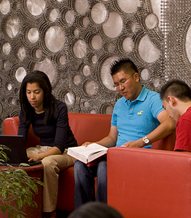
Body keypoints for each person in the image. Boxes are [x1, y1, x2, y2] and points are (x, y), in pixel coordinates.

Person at [73, 59, 175, 208]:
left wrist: (140, 143)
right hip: (116, 156)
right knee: (80, 166)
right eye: (116, 84)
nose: (120, 88)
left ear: (136, 77)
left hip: (140, 159)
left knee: (103, 166)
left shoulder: (153, 99)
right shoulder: (120, 104)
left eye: (123, 81)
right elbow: (112, 138)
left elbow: (170, 124)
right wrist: (94, 145)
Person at [17, 71, 79, 218]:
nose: (32, 97)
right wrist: (16, 154)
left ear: (45, 91)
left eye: (36, 92)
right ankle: (21, 208)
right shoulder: (26, 109)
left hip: (67, 151)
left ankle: (49, 212)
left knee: (48, 163)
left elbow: (59, 146)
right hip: (43, 149)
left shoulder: (60, 108)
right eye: (29, 92)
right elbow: (20, 140)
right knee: (15, 159)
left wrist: (38, 156)